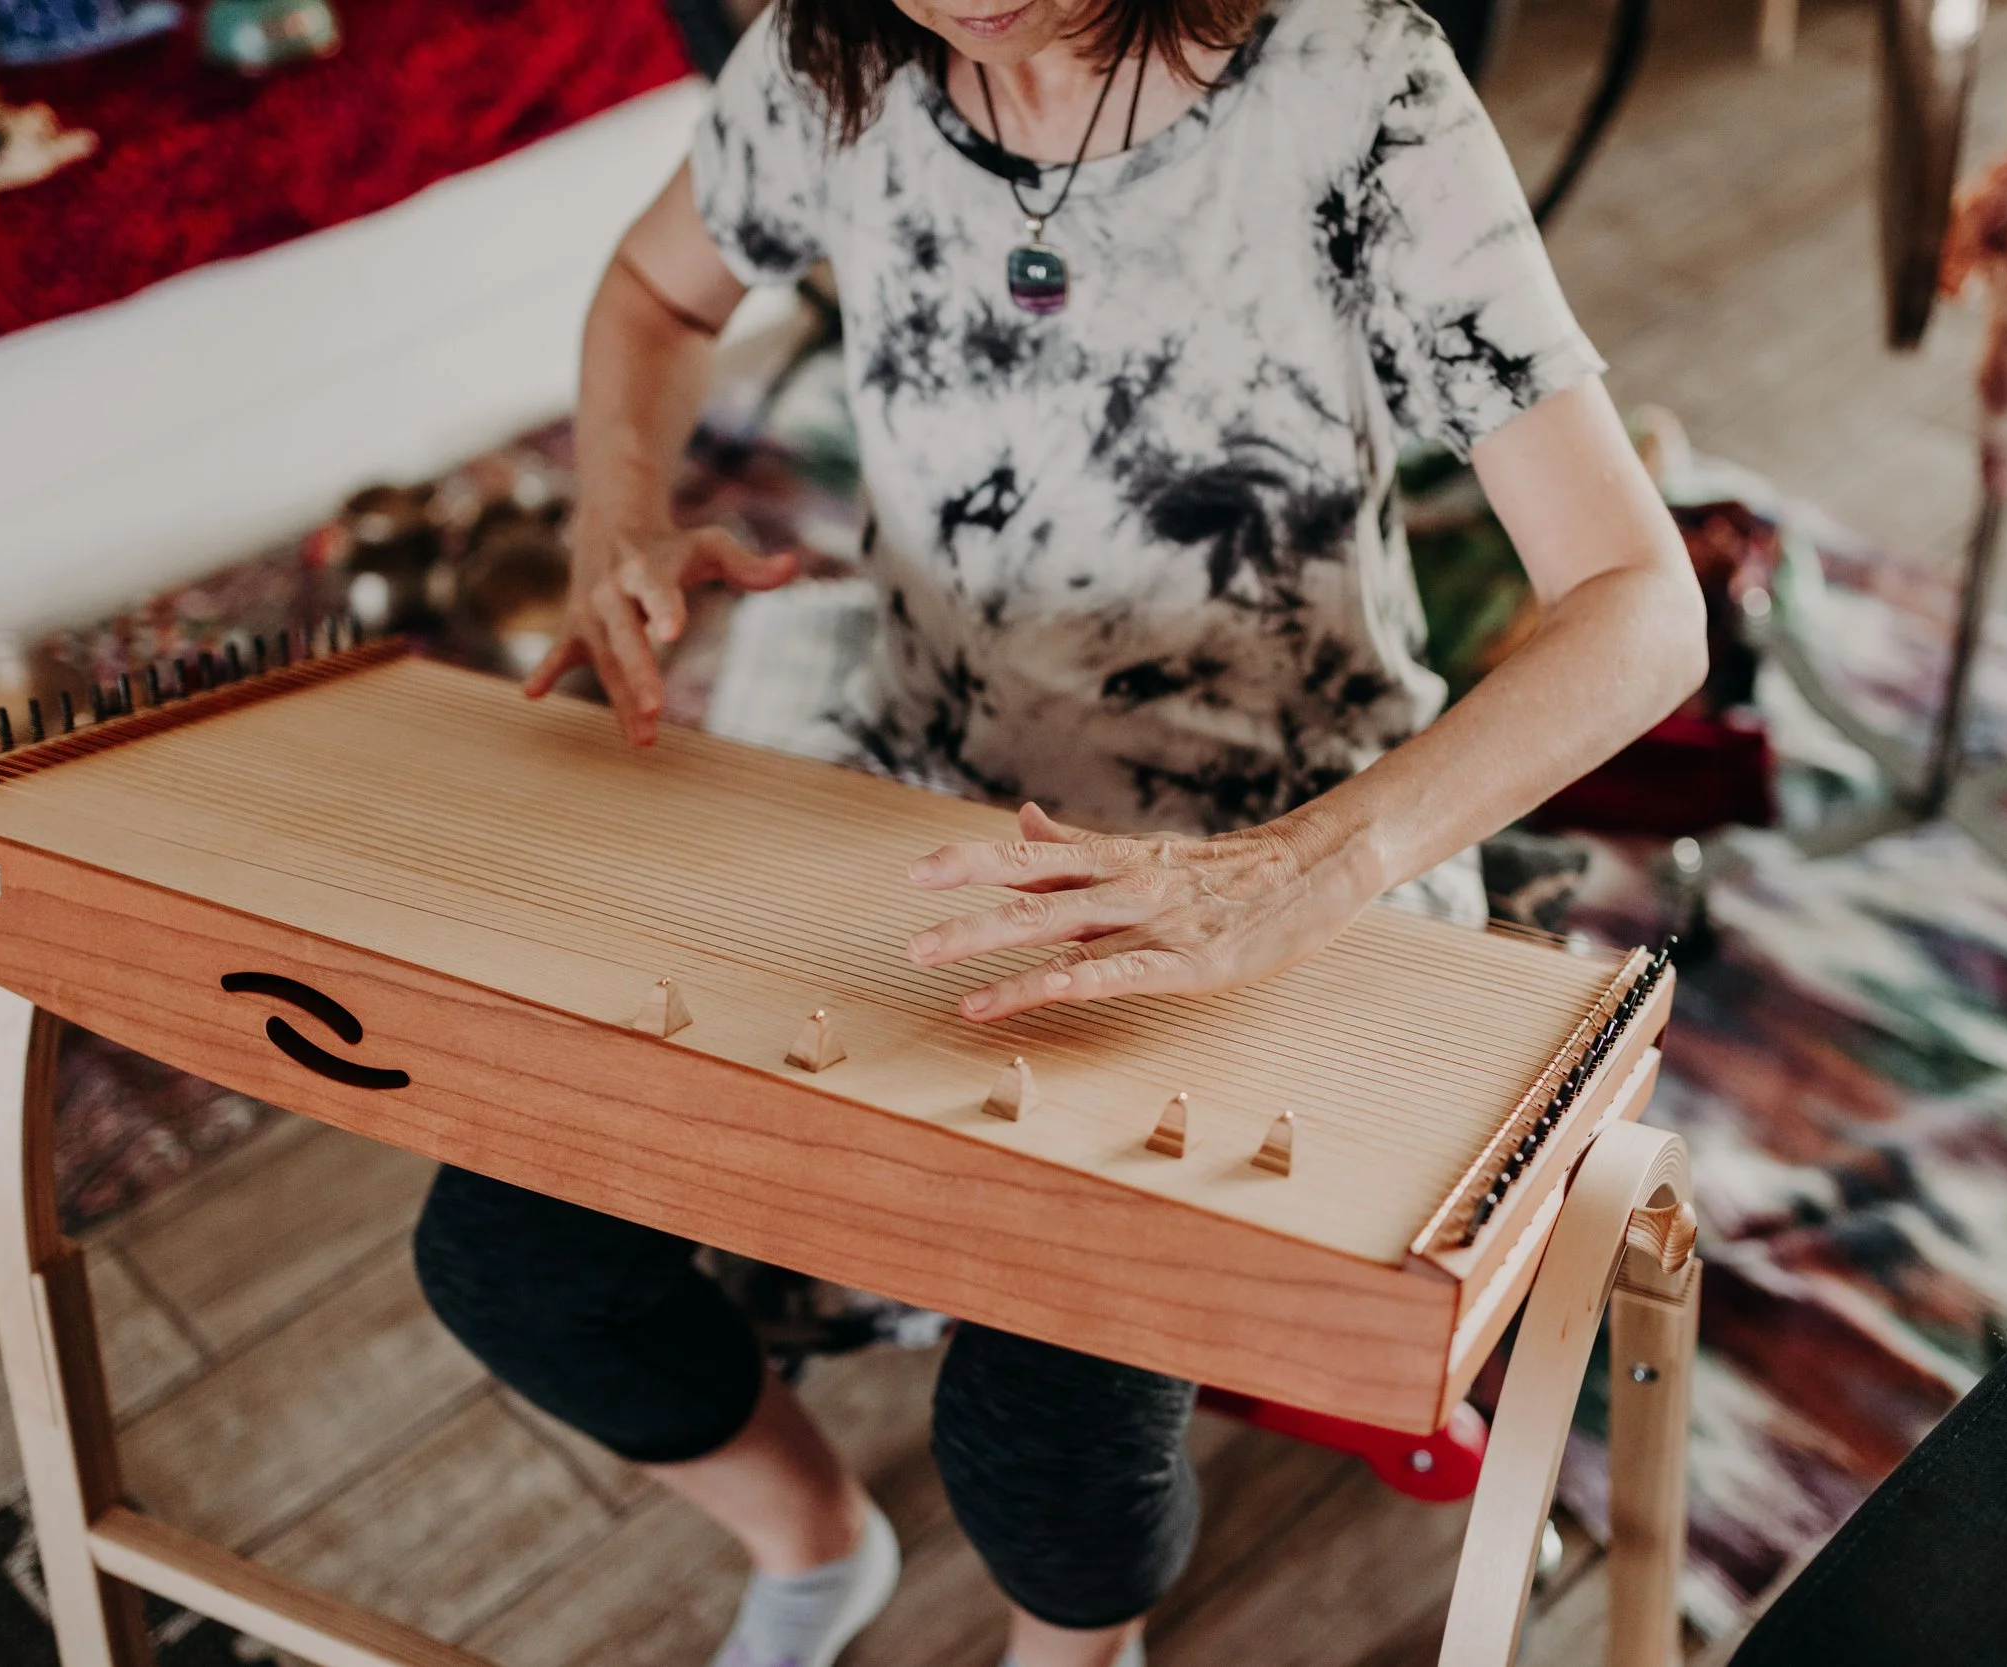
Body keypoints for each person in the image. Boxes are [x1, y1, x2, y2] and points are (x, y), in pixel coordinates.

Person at [412, 0, 1706, 1658]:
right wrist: (614, 513)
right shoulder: (828, 58)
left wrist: (1309, 868)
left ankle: (1077, 1645)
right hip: (915, 802)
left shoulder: (1352, 77)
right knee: (507, 1246)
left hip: (1281, 843)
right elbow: (658, 291)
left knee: (1042, 1423)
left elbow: (1642, 607)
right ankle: (813, 1543)